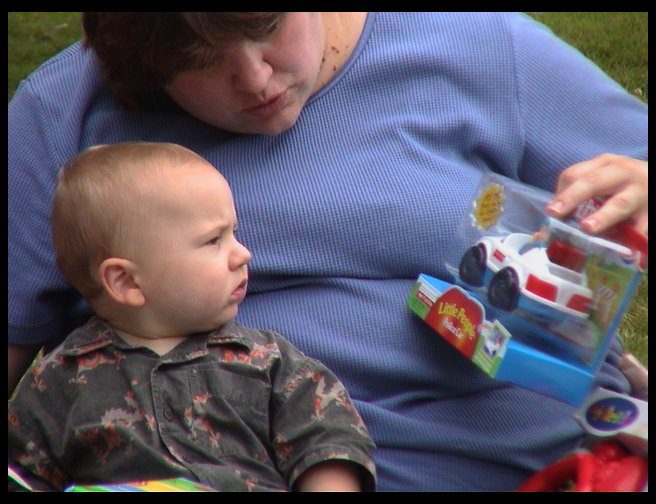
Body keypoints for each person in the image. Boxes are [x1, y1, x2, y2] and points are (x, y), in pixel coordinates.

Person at [8, 13, 647, 491]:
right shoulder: (62, 113)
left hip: (553, 466)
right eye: (202, 59)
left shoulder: (476, 43)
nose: (254, 77)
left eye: (269, 25)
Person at [7, 142, 376, 492]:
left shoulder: (267, 362)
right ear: (126, 281)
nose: (243, 254)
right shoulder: (59, 382)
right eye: (213, 241)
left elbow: (330, 440)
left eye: (235, 233)